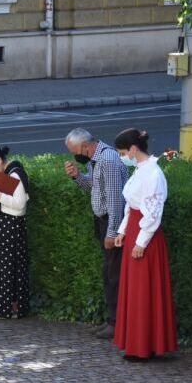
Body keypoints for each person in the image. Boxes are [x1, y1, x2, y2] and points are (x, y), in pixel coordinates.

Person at [112, 128, 177, 360]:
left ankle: (144, 346)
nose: (122, 156)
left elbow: (153, 212)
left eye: (122, 152)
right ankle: (136, 344)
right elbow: (132, 204)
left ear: (132, 149)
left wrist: (140, 241)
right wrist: (122, 230)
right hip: (135, 233)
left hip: (145, 238)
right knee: (134, 290)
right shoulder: (140, 170)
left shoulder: (153, 173)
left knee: (143, 291)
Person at [64, 128, 129, 339]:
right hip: (103, 222)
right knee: (109, 274)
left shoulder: (107, 160)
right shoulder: (97, 159)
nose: (75, 155)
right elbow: (94, 187)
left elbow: (115, 200)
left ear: (85, 146)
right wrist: (77, 177)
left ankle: (117, 323)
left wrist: (112, 232)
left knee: (114, 275)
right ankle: (112, 320)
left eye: (75, 151)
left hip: (111, 223)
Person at [0, 146, 30, 319]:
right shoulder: (2, 175)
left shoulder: (15, 174)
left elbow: (20, 205)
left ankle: (11, 308)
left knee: (10, 269)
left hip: (11, 229)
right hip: (0, 228)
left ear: (0, 161)